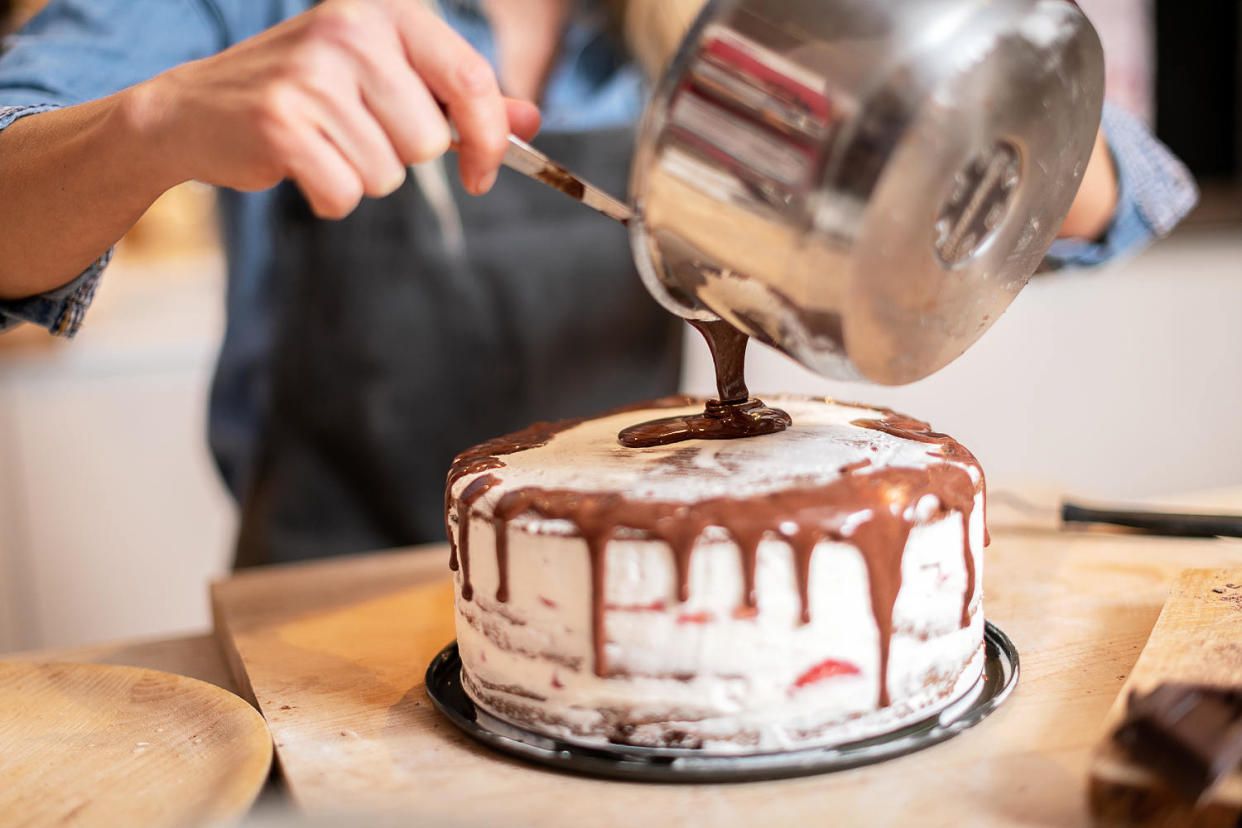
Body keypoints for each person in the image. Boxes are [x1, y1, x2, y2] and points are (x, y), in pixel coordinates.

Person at [0, 0, 1197, 567]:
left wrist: (943, 73)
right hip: (320, 616)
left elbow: (1117, 201)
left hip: (643, 602)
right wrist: (149, 125)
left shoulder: (741, 26)